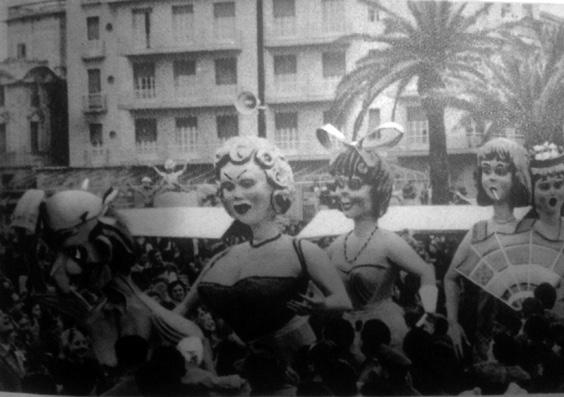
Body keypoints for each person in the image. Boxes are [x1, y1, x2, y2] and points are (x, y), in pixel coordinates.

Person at [176, 136, 351, 392]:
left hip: (298, 371)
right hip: (234, 374)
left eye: (247, 183)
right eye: (227, 186)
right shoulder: (220, 257)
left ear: (276, 187)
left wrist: (320, 306)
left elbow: (343, 300)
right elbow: (180, 313)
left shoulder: (302, 249)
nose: (236, 195)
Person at [13, 187, 204, 367]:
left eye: (73, 254)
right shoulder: (94, 316)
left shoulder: (150, 320)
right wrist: (29, 253)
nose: (57, 270)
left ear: (105, 250)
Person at [324, 126, 437, 358]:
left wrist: (430, 314)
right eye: (339, 184)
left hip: (386, 333)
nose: (342, 193)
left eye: (354, 185)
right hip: (344, 336)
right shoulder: (335, 246)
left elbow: (426, 272)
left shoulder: (389, 242)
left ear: (378, 191)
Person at [444, 138, 531, 360]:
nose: (491, 177)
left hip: (527, 340)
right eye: (486, 170)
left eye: (500, 171)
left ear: (517, 176)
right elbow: (450, 278)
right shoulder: (478, 232)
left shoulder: (530, 229)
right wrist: (452, 323)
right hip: (484, 343)